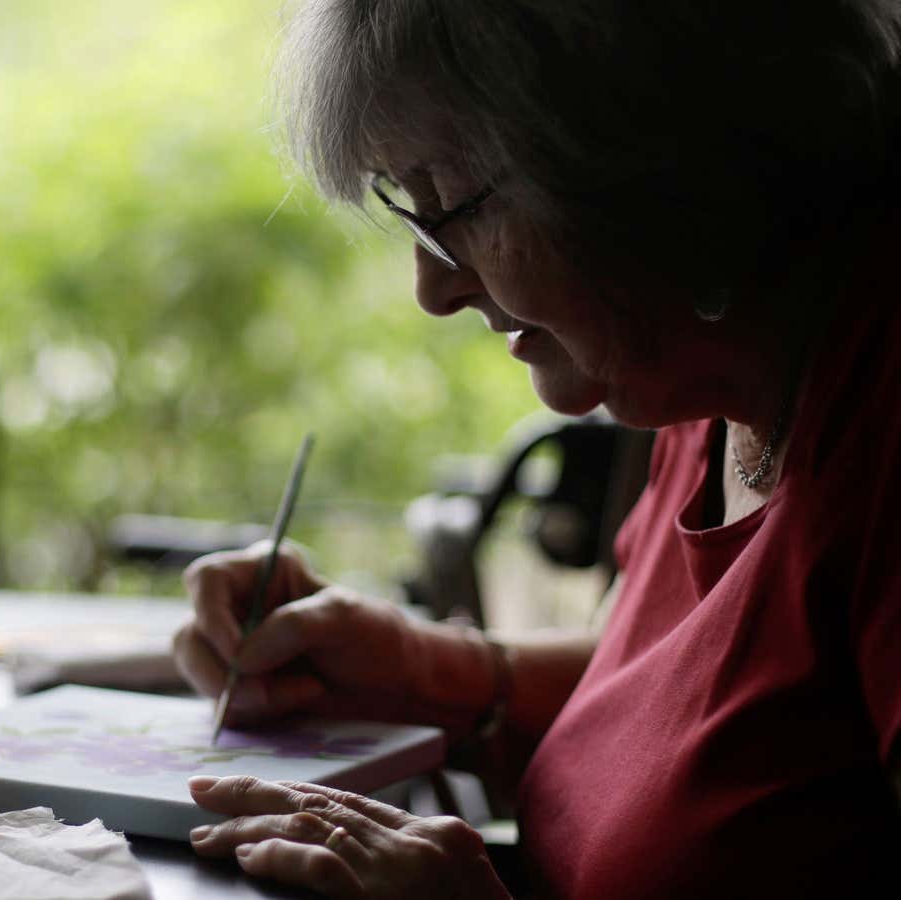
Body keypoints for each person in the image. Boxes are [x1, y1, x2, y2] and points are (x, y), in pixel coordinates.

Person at [172, 1, 901, 897]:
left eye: (450, 207)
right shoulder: (701, 371)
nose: (433, 288)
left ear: (655, 161)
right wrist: (425, 669)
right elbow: (705, 728)